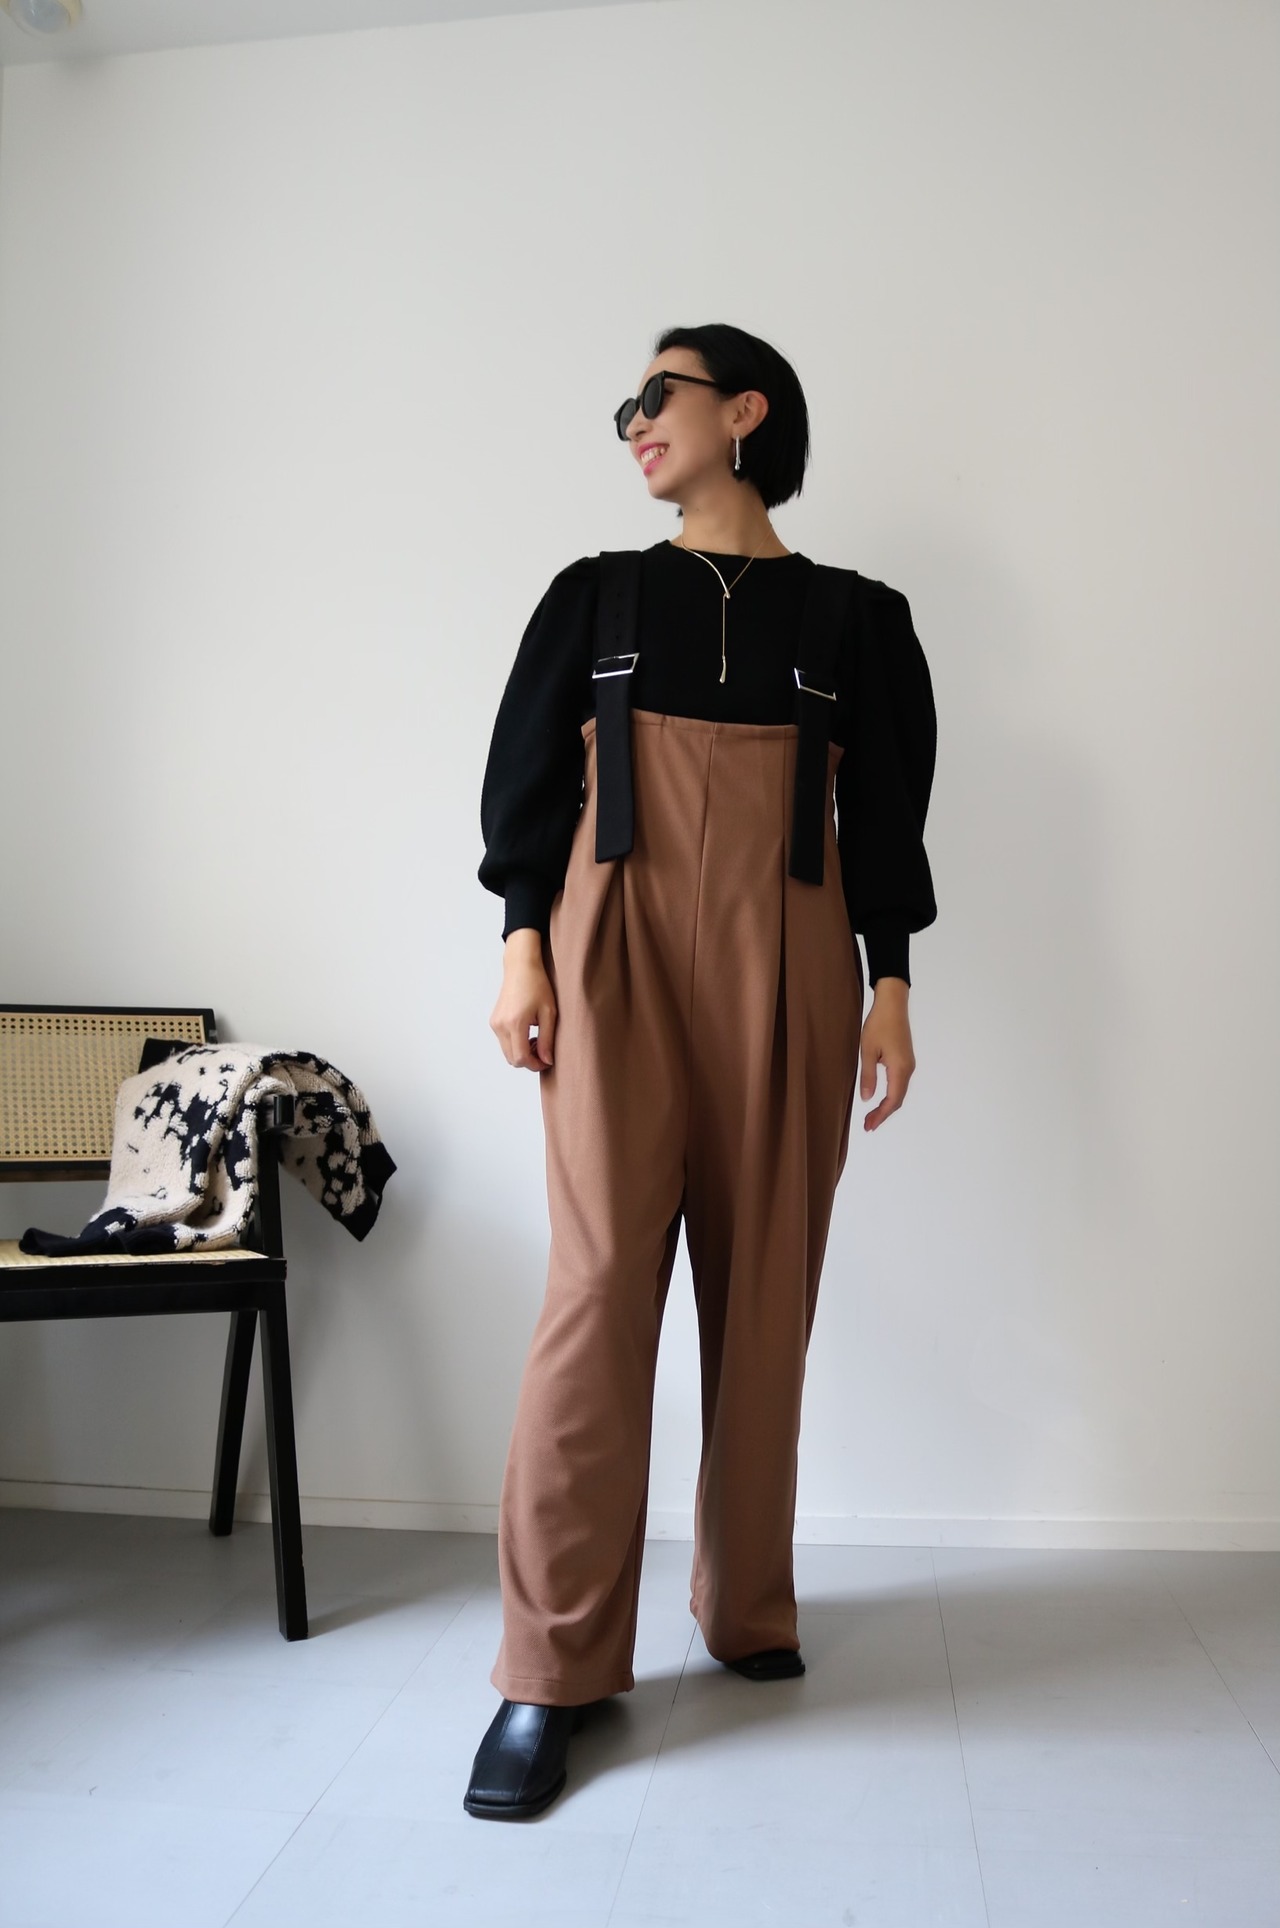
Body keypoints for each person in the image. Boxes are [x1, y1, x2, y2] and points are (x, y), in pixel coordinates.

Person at [464, 323, 937, 1820]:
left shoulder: (859, 619)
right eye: (627, 406)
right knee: (598, 1293)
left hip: (792, 956)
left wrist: (892, 986)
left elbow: (890, 815)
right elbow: (528, 784)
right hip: (610, 949)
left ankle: (744, 1606)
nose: (632, 424)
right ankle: (550, 1669)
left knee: (765, 1285)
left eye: (653, 396)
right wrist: (522, 946)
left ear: (745, 411)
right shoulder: (595, 595)